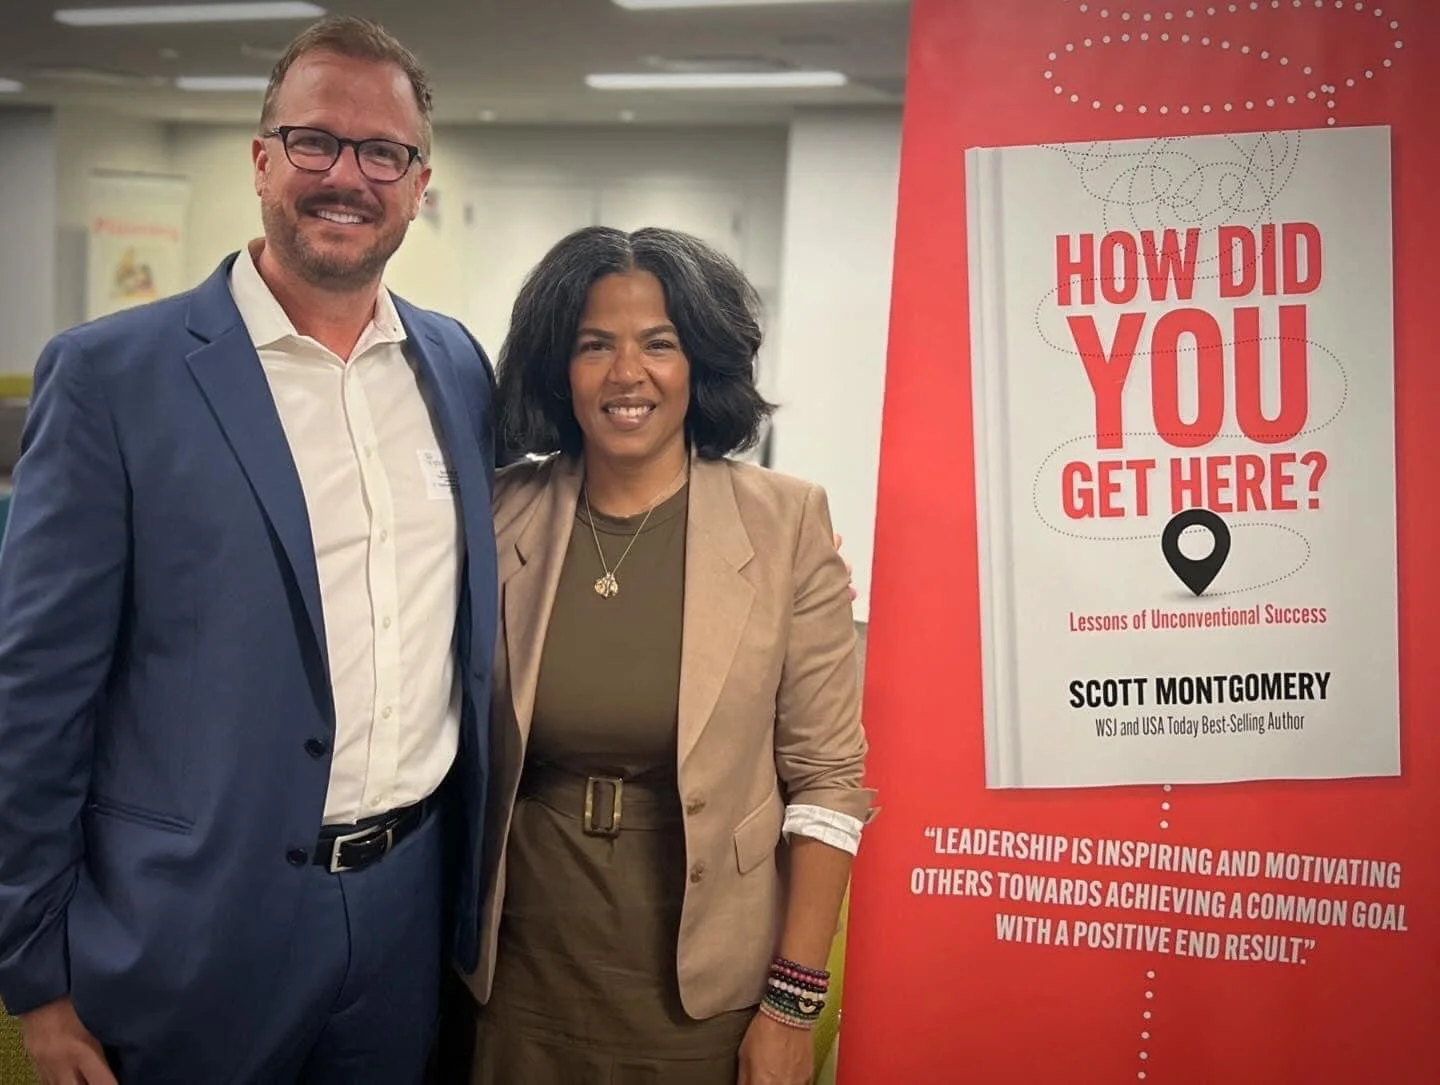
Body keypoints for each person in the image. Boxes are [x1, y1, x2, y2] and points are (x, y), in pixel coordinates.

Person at [0, 16, 498, 1085]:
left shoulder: (456, 366)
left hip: (405, 913)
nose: (346, 176)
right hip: (191, 927)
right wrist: (36, 972)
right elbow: (34, 697)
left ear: (418, 185)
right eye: (315, 140)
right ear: (263, 157)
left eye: (383, 153)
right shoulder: (112, 379)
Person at [457, 225, 876, 1085]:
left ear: (700, 363)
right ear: (558, 366)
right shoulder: (496, 515)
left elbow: (828, 779)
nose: (626, 373)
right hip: (517, 976)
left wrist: (791, 1006)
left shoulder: (787, 523)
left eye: (659, 343)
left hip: (704, 993)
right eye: (594, 345)